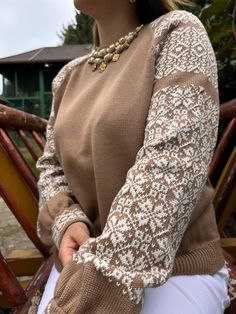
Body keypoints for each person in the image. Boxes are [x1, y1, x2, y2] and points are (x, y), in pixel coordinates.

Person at [36, 0, 231, 313]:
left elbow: (171, 168)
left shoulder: (178, 33)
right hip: (76, 263)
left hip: (176, 270)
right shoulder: (66, 78)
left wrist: (92, 283)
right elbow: (51, 167)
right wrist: (66, 220)